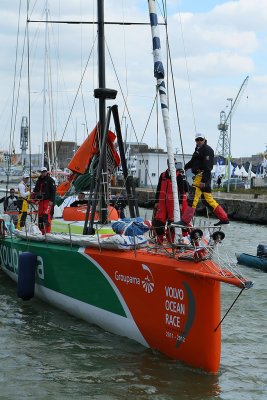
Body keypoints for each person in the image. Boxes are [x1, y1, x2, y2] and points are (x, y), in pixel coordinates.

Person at [178, 133, 229, 227]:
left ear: (204, 140)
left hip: (201, 177)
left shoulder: (207, 150)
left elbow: (208, 166)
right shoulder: (198, 150)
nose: (199, 141)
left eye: (200, 139)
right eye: (197, 140)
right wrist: (185, 167)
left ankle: (185, 221)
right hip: (201, 176)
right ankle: (224, 218)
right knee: (208, 200)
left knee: (193, 199)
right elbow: (193, 161)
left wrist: (203, 181)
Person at [152, 158, 188, 243]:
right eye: (172, 163)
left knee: (172, 222)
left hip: (173, 203)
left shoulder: (178, 176)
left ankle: (170, 241)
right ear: (168, 164)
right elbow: (158, 189)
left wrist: (180, 203)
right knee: (159, 221)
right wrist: (156, 201)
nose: (174, 165)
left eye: (175, 164)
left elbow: (182, 191)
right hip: (162, 202)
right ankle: (159, 240)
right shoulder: (163, 175)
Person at [32, 167, 56, 234]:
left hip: (47, 201)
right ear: (41, 172)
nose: (44, 173)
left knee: (46, 216)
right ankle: (41, 232)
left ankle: (47, 232)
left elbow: (53, 191)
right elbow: (36, 190)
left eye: (45, 171)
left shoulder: (50, 180)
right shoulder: (39, 180)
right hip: (40, 201)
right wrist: (36, 200)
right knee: (40, 217)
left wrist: (51, 200)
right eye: (42, 172)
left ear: (46, 172)